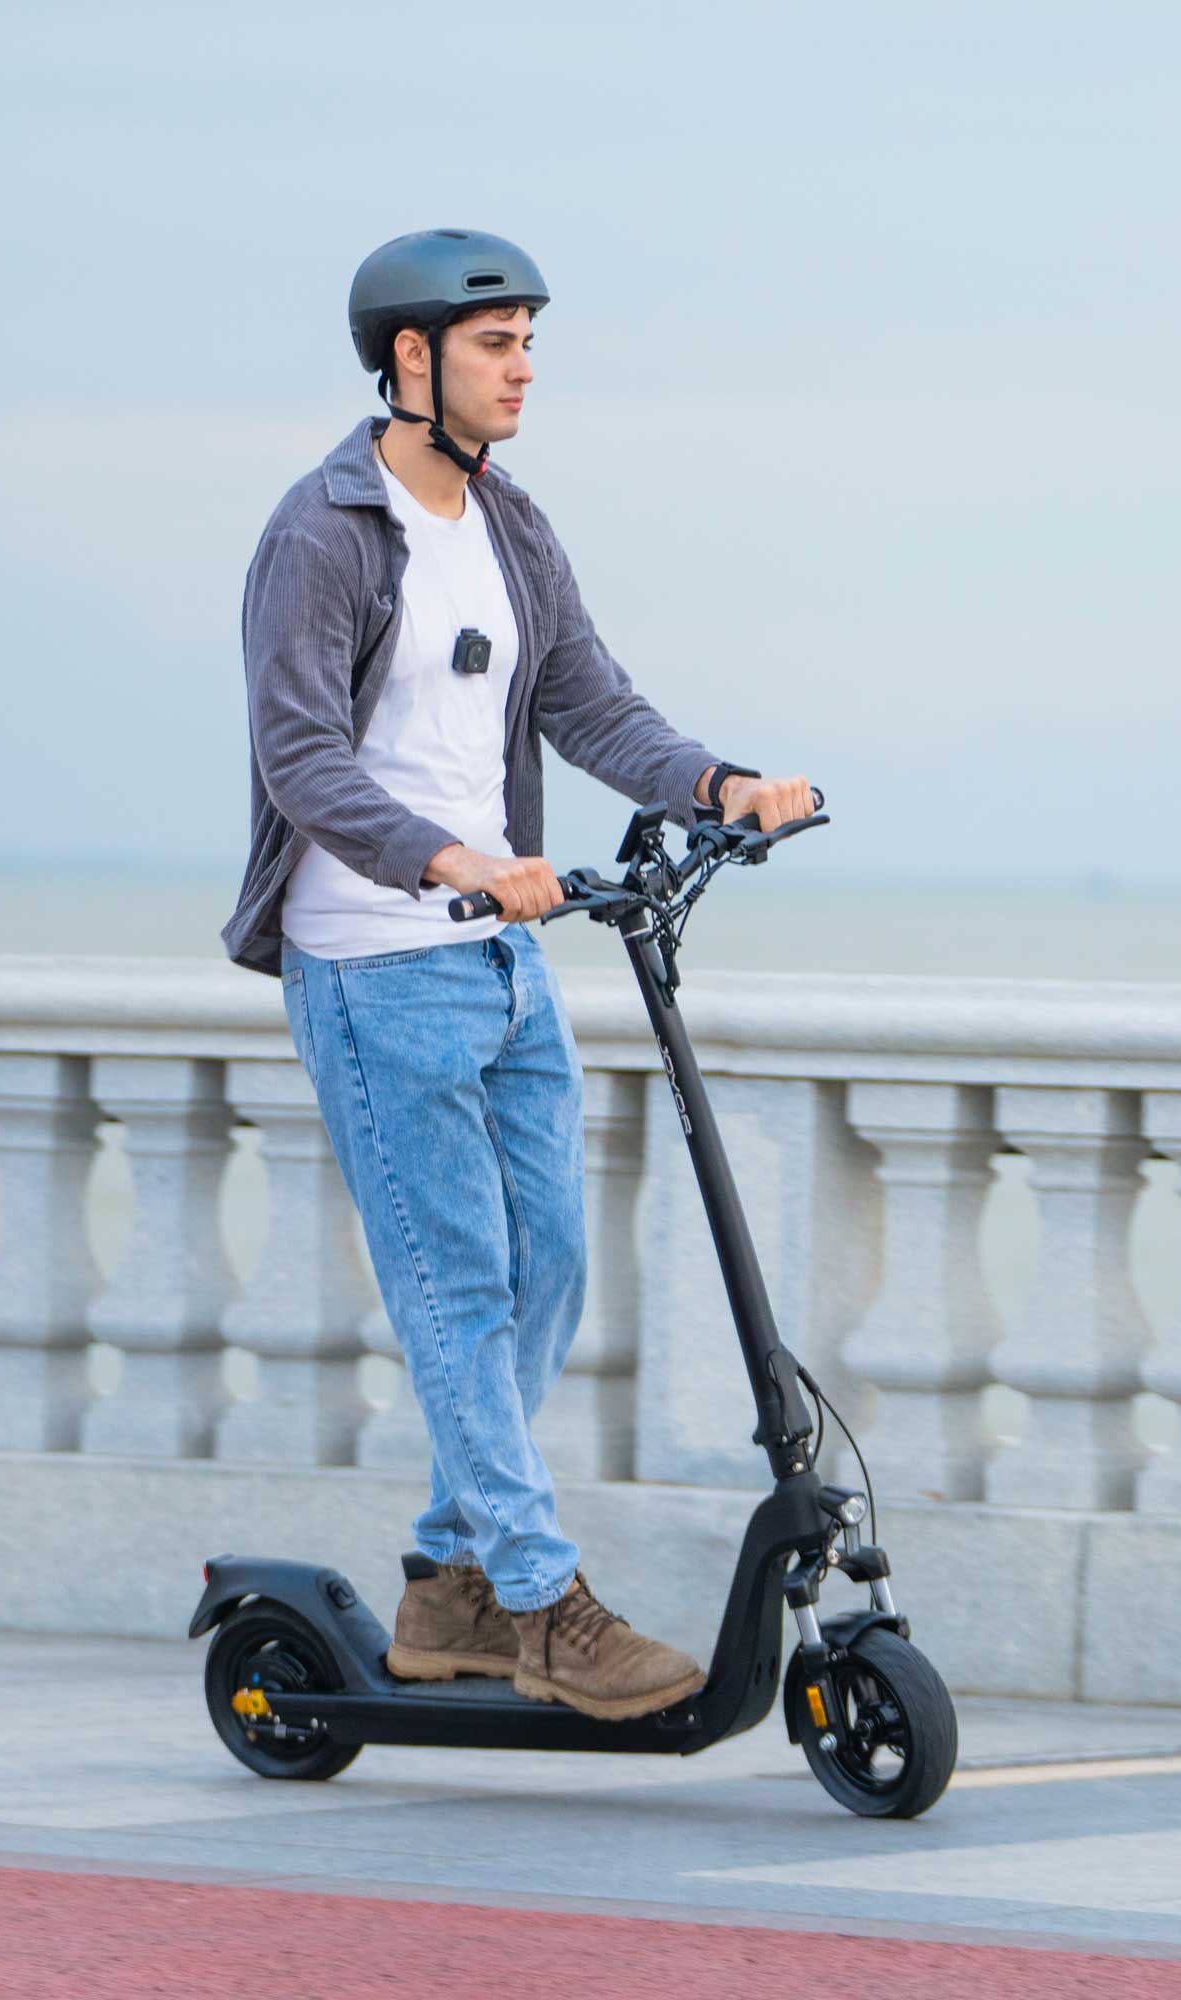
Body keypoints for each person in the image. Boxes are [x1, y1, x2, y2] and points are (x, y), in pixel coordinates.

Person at [220, 228, 814, 1722]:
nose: (524, 368)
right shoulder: (323, 535)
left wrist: (715, 781)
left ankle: (445, 1581)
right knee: (456, 1289)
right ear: (411, 360)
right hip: (373, 966)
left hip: (499, 961)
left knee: (548, 1265)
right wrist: (449, 859)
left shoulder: (512, 525)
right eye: (498, 344)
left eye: (531, 341)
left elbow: (586, 700)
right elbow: (299, 761)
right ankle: (542, 1602)